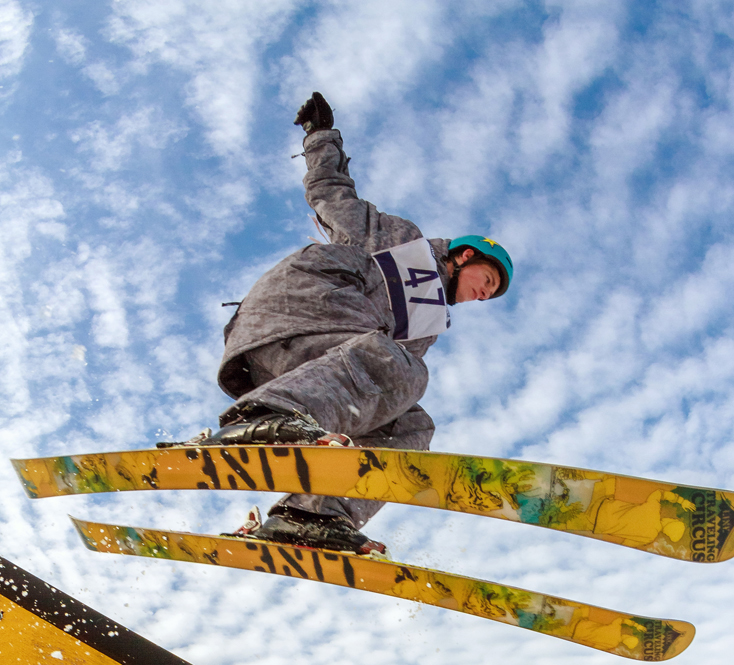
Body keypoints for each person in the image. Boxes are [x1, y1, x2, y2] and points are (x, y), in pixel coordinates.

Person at [181, 91, 513, 556]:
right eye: (487, 280)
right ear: (465, 255)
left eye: (490, 294)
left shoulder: (427, 326)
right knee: (401, 367)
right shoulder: (403, 241)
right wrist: (320, 135)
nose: (483, 294)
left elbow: (372, 386)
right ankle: (266, 417)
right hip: (292, 316)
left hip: (318, 371)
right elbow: (331, 192)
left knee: (411, 426)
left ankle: (312, 515)